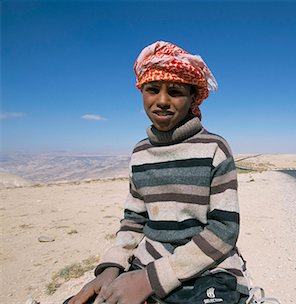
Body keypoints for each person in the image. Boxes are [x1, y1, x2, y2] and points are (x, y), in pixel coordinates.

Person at [66, 41, 249, 304]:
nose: (162, 101)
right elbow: (133, 220)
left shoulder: (214, 149)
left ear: (192, 98)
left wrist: (150, 279)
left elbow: (224, 230)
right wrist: (111, 269)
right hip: (147, 262)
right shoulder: (140, 153)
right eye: (153, 89)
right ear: (142, 93)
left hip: (208, 269)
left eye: (175, 92)